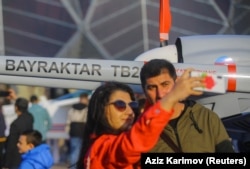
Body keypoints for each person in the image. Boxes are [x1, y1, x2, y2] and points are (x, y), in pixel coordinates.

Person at [76, 71, 205, 169]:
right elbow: (134, 142)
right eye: (120, 104)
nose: (129, 111)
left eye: (133, 105)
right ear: (101, 109)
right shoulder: (102, 147)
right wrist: (171, 97)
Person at [139, 59, 235, 152]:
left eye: (165, 84)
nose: (160, 94)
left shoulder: (206, 117)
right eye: (152, 87)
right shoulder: (141, 129)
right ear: (144, 91)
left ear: (176, 83)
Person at [2, 97, 34, 169]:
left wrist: (6, 164)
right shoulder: (30, 118)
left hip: (16, 158)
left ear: (16, 108)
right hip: (27, 152)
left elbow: (11, 145)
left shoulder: (15, 124)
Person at [66, 92, 89, 168]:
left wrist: (67, 131)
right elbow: (87, 121)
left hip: (73, 130)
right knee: (82, 151)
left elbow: (68, 121)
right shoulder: (86, 109)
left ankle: (73, 167)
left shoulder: (72, 109)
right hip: (83, 130)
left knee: (74, 151)